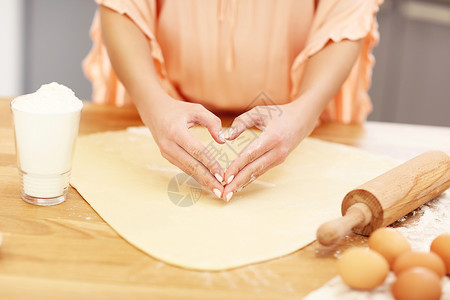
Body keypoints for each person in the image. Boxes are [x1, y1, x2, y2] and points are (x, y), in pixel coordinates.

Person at [83, 0, 382, 202]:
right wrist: (154, 105)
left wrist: (303, 112)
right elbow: (121, 6)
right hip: (159, 95)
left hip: (300, 103)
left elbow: (347, 12)